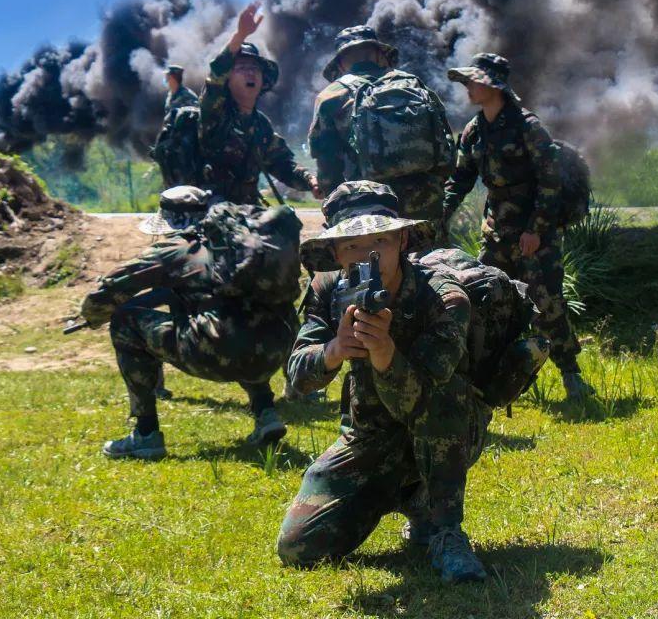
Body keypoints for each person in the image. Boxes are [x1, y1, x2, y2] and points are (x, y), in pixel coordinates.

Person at [277, 181, 490, 583]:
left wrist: (385, 354)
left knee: (444, 401)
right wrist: (335, 350)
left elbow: (430, 398)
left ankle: (445, 529)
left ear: (402, 239)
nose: (366, 255)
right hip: (368, 436)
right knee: (299, 547)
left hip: (444, 431)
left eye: (379, 240)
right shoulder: (327, 290)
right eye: (352, 245)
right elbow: (297, 377)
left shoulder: (442, 298)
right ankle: (406, 495)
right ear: (336, 252)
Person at [80, 189, 303, 459]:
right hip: (277, 349)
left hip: (218, 355)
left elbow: (109, 290)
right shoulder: (244, 246)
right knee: (245, 324)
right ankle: (266, 413)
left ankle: (146, 434)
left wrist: (93, 316)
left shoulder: (175, 249)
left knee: (124, 323)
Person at [442, 53, 594, 401]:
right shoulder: (475, 130)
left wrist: (536, 230)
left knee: (546, 302)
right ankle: (499, 377)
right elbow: (460, 179)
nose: (468, 88)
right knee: (488, 300)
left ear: (493, 86)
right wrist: (441, 214)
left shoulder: (528, 127)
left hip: (534, 234)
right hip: (497, 233)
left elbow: (550, 181)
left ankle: (571, 374)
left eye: (474, 82)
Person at [307, 26, 452, 222]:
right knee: (432, 252)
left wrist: (335, 207)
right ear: (379, 54)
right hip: (426, 201)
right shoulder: (413, 84)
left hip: (369, 208)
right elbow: (446, 145)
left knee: (377, 253)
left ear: (340, 63)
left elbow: (328, 166)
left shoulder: (330, 96)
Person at [198, 1, 321, 204]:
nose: (250, 72)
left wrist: (311, 181)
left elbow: (282, 164)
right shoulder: (216, 112)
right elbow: (215, 76)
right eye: (242, 67)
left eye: (255, 68)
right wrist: (240, 36)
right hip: (211, 210)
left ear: (264, 80)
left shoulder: (260, 126)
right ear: (227, 80)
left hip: (247, 210)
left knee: (285, 226)